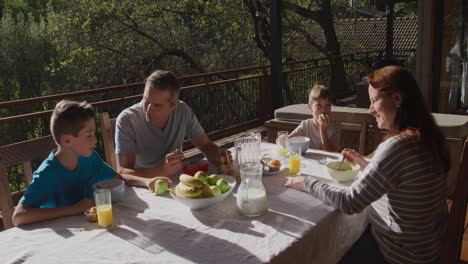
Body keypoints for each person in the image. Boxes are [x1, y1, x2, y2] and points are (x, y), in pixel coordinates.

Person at [285, 66, 450, 264]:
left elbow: (349, 202)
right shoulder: (426, 136)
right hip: (426, 246)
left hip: (399, 254)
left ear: (397, 99)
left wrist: (306, 182)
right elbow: (402, 177)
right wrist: (367, 164)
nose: (370, 110)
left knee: (325, 249)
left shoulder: (397, 146)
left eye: (374, 101)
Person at [12, 100, 170, 227]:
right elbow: (18, 216)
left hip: (90, 229)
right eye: (89, 135)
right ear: (67, 140)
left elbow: (118, 178)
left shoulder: (90, 157)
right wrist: (73, 210)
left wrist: (147, 181)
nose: (95, 140)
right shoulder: (47, 173)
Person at [115, 70, 231, 180]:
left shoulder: (182, 111)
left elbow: (206, 146)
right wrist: (163, 171)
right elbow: (124, 172)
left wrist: (220, 156)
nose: (148, 109)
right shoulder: (127, 120)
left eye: (157, 105)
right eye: (146, 100)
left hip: (179, 180)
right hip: (143, 187)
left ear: (173, 106)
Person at [289, 84, 341, 152]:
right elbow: (288, 140)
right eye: (319, 105)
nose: (324, 110)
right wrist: (282, 138)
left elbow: (333, 153)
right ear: (310, 108)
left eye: (327, 105)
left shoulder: (335, 127)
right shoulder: (305, 125)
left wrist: (323, 130)